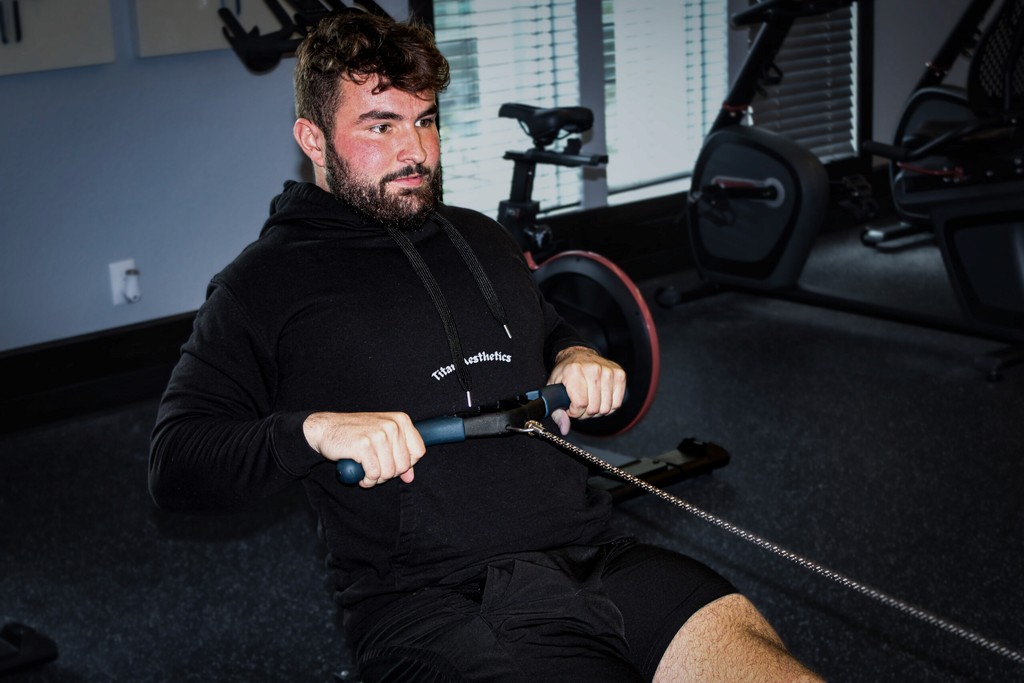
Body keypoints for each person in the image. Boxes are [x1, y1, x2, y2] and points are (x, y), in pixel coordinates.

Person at [149, 10, 821, 682]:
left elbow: (547, 329)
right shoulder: (261, 285)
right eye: (381, 125)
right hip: (433, 603)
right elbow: (176, 462)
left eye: (426, 120)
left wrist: (575, 355)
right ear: (313, 138)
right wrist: (315, 430)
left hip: (597, 554)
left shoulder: (480, 237)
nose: (416, 150)